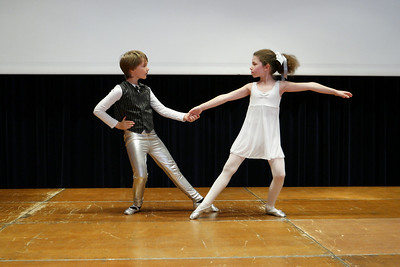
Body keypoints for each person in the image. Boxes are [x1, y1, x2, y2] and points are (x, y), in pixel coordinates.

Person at [189, 49, 352, 220]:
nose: (250, 67)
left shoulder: (280, 86)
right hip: (249, 135)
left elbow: (311, 85)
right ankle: (204, 205)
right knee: (228, 170)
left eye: (254, 64)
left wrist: (335, 91)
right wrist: (201, 107)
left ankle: (270, 206)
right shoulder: (251, 88)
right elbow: (225, 97)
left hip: (270, 137)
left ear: (266, 67)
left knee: (280, 174)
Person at [93, 50, 218, 215]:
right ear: (131, 70)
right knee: (141, 174)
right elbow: (98, 109)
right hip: (134, 136)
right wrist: (117, 125)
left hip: (151, 136)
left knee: (172, 168)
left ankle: (199, 200)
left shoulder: (146, 90)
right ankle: (136, 204)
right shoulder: (120, 89)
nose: (147, 69)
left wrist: (185, 117)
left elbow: (162, 110)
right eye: (144, 66)